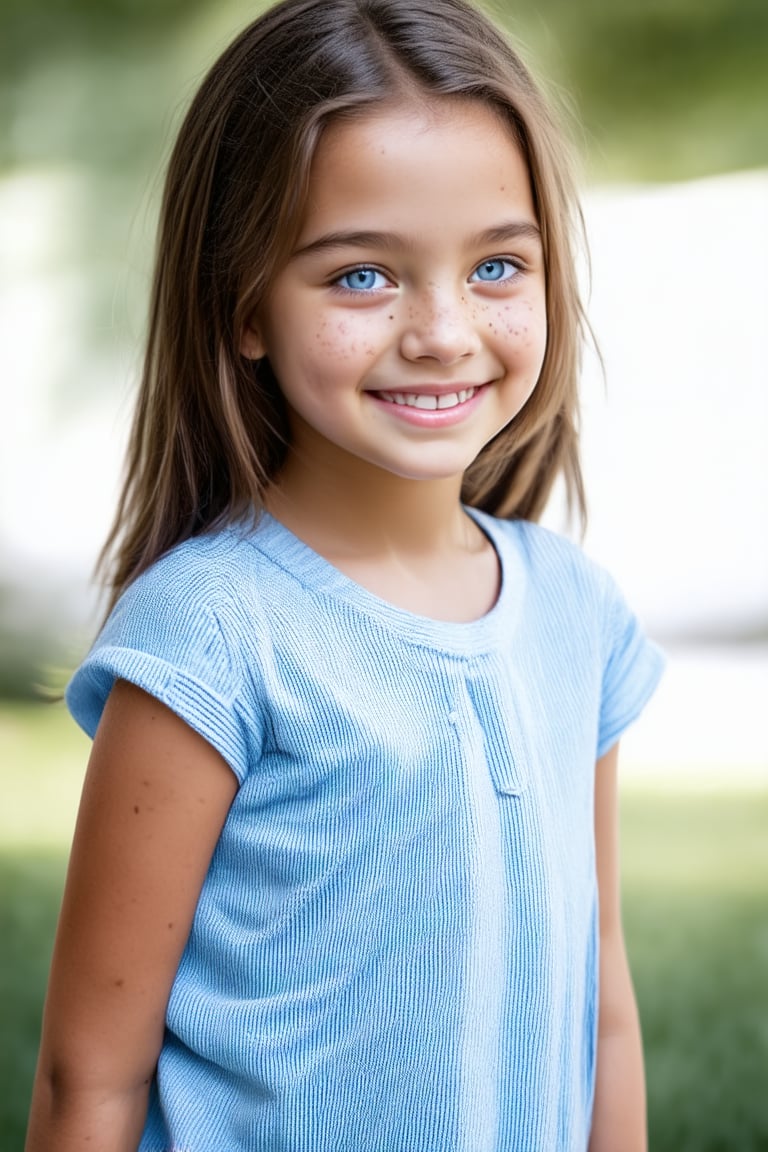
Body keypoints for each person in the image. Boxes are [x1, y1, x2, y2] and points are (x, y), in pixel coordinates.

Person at [25, 0, 665, 1148]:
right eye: (363, 277)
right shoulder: (211, 631)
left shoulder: (581, 615)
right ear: (243, 307)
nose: (442, 330)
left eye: (497, 266)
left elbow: (601, 1008)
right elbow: (91, 1078)